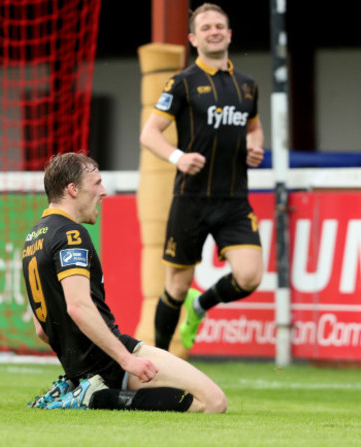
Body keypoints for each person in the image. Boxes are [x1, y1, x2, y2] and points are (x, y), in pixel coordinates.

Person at [22, 152, 227, 412]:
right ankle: (91, 397)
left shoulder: (32, 239)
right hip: (110, 360)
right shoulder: (70, 234)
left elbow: (42, 329)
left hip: (83, 368)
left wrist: (79, 362)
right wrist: (126, 359)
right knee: (214, 402)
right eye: (96, 183)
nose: (103, 191)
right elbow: (78, 306)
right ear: (72, 189)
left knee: (183, 400)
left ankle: (84, 391)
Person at [139, 3, 265, 352]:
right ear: (194, 38)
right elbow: (149, 134)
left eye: (219, 26)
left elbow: (255, 129)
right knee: (176, 288)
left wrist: (256, 147)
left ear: (229, 33)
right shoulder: (182, 82)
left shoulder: (248, 86)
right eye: (206, 27)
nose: (214, 31)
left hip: (234, 202)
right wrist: (178, 157)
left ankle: (201, 305)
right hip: (190, 201)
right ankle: (161, 361)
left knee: (250, 276)